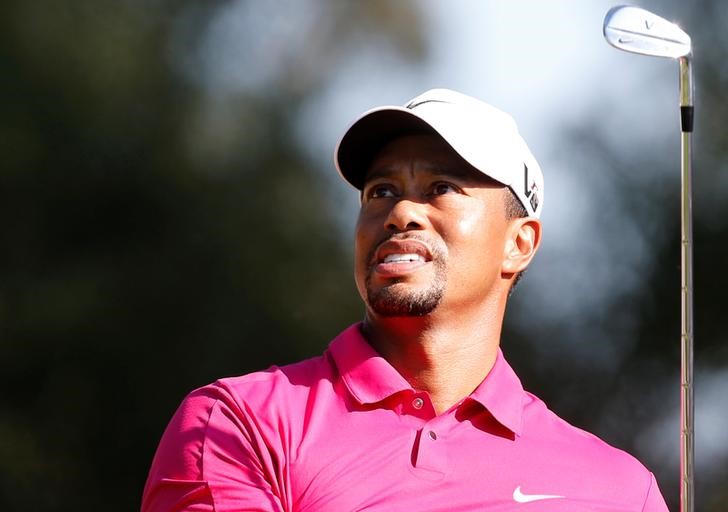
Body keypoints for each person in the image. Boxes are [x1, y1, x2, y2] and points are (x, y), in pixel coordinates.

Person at [141, 89, 668, 511]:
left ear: (519, 243)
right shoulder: (241, 423)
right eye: (381, 191)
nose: (400, 214)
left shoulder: (620, 491)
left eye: (441, 187)